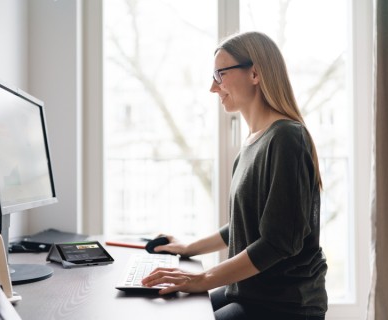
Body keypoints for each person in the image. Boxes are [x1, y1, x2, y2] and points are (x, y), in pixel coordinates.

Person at [141, 31, 328, 320]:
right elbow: (245, 225)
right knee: (165, 305)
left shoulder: (287, 138)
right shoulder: (253, 142)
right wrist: (188, 248)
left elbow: (277, 242)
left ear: (254, 73)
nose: (213, 87)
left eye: (220, 74)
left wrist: (202, 279)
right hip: (251, 292)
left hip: (283, 305)